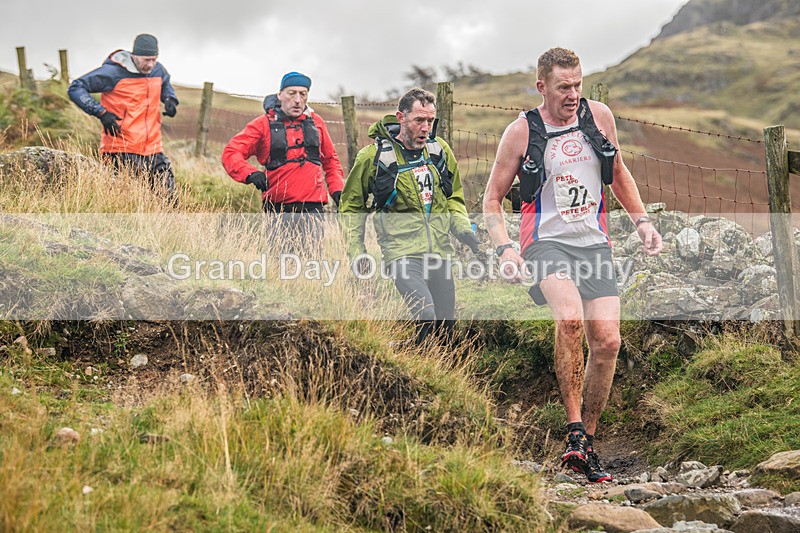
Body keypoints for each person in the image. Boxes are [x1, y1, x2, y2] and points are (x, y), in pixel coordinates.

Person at [482, 47, 662, 482]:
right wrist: (506, 248)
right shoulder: (521, 131)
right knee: (569, 321)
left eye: (578, 84)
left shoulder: (597, 116)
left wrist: (641, 222)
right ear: (541, 86)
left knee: (608, 342)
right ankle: (574, 426)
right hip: (545, 243)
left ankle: (587, 446)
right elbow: (490, 200)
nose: (573, 94)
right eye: (564, 87)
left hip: (594, 242)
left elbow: (617, 172)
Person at [339, 88, 479, 345]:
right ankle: (413, 369)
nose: (426, 127)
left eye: (430, 121)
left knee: (446, 328)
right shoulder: (373, 157)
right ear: (401, 117)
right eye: (419, 120)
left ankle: (431, 370)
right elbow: (351, 207)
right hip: (401, 252)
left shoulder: (439, 151)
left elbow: (454, 197)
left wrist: (462, 228)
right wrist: (357, 251)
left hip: (439, 249)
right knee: (426, 315)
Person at [221, 72, 343, 252]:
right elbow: (231, 152)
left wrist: (338, 190)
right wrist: (250, 173)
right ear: (280, 95)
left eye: (303, 94)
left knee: (311, 266)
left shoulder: (317, 123)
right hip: (278, 209)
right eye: (291, 93)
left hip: (313, 208)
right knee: (280, 267)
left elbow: (331, 161)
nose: (297, 100)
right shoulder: (262, 124)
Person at [68, 34, 178, 197]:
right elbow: (76, 88)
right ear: (134, 55)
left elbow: (165, 83)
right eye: (146, 60)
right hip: (121, 149)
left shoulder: (157, 70)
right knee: (131, 202)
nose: (151, 65)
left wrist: (170, 99)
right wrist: (101, 113)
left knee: (169, 199)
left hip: (153, 148)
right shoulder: (113, 72)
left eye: (154, 59)